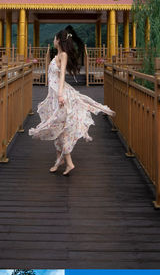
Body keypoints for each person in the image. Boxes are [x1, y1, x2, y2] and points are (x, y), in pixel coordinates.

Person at [28, 25, 114, 175]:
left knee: (60, 126)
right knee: (57, 126)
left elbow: (62, 77)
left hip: (60, 95)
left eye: (55, 38)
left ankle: (66, 161)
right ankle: (61, 160)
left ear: (59, 40)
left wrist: (61, 94)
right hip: (54, 96)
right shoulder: (56, 56)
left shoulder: (63, 56)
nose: (53, 40)